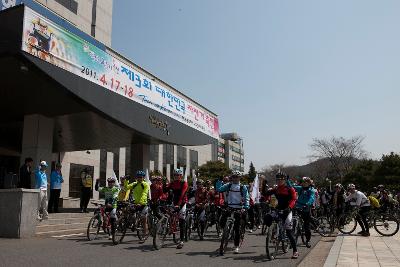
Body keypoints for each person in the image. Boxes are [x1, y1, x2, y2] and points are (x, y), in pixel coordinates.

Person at [264, 172, 299, 259]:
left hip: (287, 210)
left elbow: (294, 199)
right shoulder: (276, 189)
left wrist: (290, 207)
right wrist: (264, 185)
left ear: (285, 180)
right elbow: (266, 194)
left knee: (289, 232)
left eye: (281, 179)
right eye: (278, 179)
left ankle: (295, 251)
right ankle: (272, 232)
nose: (279, 181)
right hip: (278, 209)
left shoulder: (290, 189)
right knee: (267, 217)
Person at [216, 170, 250, 254]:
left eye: (237, 177)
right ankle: (225, 233)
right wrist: (220, 181)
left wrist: (246, 207)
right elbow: (219, 189)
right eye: (233, 177)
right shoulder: (229, 185)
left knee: (237, 228)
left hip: (238, 208)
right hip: (230, 207)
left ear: (239, 178)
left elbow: (246, 198)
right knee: (222, 221)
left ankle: (236, 246)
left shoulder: (243, 187)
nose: (235, 178)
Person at [164, 168, 188, 249]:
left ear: (181, 176)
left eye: (178, 175)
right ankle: (172, 227)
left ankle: (181, 240)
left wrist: (178, 205)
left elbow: (182, 195)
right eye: (175, 175)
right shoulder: (172, 183)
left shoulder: (184, 183)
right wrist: (164, 184)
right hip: (175, 202)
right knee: (170, 213)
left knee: (181, 221)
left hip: (182, 202)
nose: (176, 176)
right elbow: (165, 191)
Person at [124, 170, 150, 241]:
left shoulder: (145, 184)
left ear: (143, 178)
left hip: (143, 204)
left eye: (141, 177)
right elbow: (126, 188)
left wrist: (141, 203)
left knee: (143, 219)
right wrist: (126, 180)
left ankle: (144, 235)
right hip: (136, 203)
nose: (139, 178)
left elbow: (144, 194)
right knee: (129, 211)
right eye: (138, 177)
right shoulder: (134, 184)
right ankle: (133, 224)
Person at [292, 177, 315, 248]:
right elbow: (291, 187)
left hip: (306, 208)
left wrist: (308, 204)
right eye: (303, 182)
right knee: (293, 222)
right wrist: (287, 180)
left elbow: (312, 198)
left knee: (306, 226)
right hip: (298, 206)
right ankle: (292, 239)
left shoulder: (311, 190)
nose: (304, 183)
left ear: (309, 183)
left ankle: (308, 240)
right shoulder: (300, 188)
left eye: (306, 182)